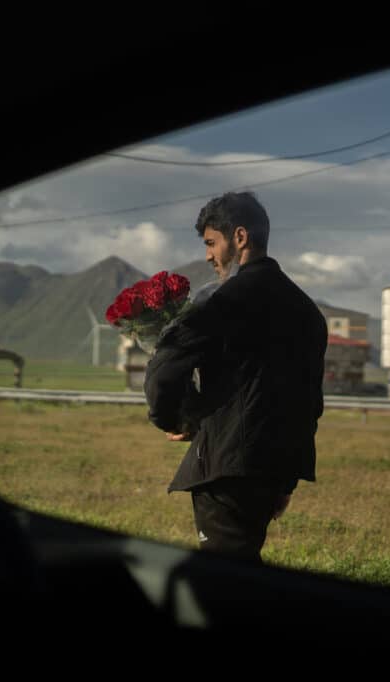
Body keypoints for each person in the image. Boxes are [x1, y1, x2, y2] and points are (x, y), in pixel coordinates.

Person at [143, 192, 328, 562]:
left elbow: (165, 369)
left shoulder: (224, 301)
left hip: (227, 468)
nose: (208, 255)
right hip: (274, 470)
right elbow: (309, 404)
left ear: (240, 237)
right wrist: (285, 479)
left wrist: (173, 418)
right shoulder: (308, 312)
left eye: (212, 243)